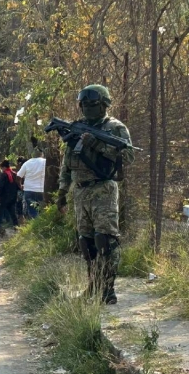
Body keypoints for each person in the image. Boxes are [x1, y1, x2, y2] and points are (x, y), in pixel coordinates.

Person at [57, 84, 135, 305]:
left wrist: (99, 145)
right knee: (86, 241)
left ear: (104, 104)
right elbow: (67, 163)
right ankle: (93, 285)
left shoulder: (115, 128)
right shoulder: (77, 127)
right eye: (84, 104)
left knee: (106, 240)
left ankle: (107, 289)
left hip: (103, 189)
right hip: (80, 191)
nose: (87, 108)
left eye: (92, 104)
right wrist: (62, 192)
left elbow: (128, 157)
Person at [0, 160, 19, 239]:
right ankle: (17, 231)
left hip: (3, 199)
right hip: (12, 198)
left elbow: (1, 187)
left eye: (1, 167)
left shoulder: (3, 175)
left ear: (3, 167)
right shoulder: (14, 174)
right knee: (13, 216)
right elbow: (17, 186)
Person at [17, 148, 46, 219]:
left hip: (29, 190)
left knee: (33, 211)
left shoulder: (27, 163)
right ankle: (43, 226)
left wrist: (20, 185)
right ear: (42, 154)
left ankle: (35, 226)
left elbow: (18, 177)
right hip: (41, 190)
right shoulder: (45, 162)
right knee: (43, 210)